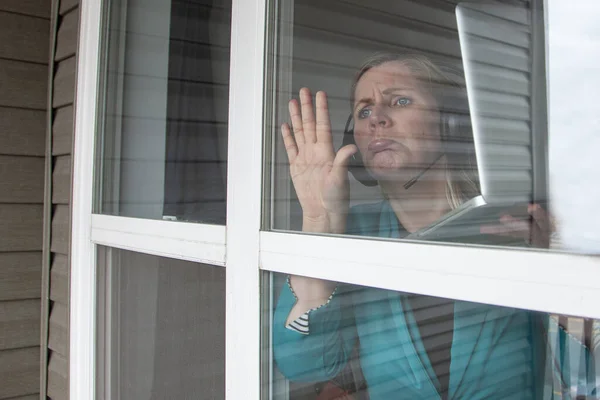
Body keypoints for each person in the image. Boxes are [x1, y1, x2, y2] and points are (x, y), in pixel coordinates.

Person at [273, 53, 592, 400]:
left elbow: (586, 375)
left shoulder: (512, 226)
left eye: (400, 101)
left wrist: (560, 271)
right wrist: (319, 224)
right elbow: (304, 367)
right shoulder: (351, 231)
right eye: (364, 111)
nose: (377, 118)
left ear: (453, 123)